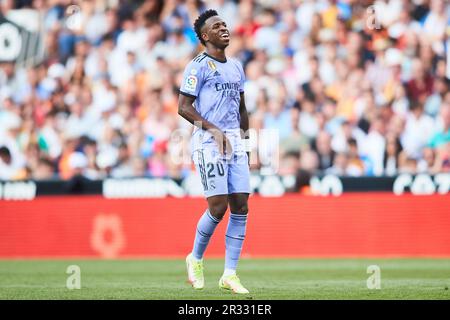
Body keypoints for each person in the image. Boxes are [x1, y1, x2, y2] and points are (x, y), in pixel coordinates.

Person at [178, 9, 251, 294]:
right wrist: (214, 131)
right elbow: (183, 107)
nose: (224, 28)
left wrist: (244, 142)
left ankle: (229, 274)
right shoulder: (197, 66)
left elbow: (242, 108)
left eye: (225, 24)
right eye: (216, 26)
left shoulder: (235, 66)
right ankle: (195, 258)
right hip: (209, 141)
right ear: (205, 36)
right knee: (218, 206)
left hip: (233, 140)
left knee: (241, 206)